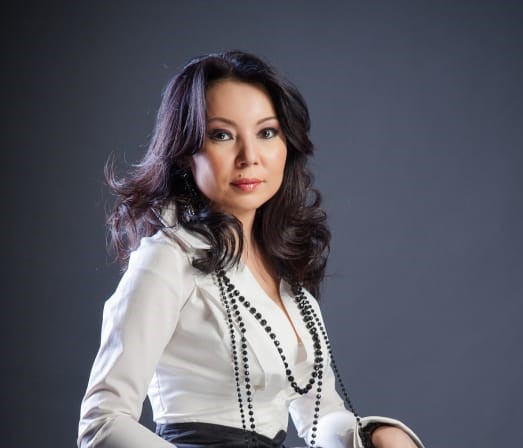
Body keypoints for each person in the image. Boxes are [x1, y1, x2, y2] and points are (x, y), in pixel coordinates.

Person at [78, 51, 424, 448]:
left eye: (267, 132)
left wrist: (373, 435)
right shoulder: (167, 259)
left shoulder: (284, 267)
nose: (249, 157)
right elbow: (101, 423)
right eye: (222, 135)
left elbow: (319, 414)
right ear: (186, 153)